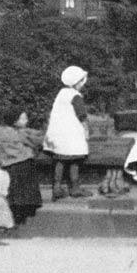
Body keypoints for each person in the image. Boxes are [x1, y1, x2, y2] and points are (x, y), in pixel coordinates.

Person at [44, 65, 93, 200]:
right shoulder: (75, 96)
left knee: (60, 160)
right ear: (78, 82)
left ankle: (57, 187)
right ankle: (75, 187)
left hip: (59, 134)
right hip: (71, 133)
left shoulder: (61, 93)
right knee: (75, 160)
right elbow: (81, 115)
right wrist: (86, 130)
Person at [0, 109, 45, 230]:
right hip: (22, 164)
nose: (26, 121)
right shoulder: (21, 133)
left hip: (9, 165)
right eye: (23, 118)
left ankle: (14, 217)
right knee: (24, 191)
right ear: (14, 121)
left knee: (14, 193)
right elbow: (37, 141)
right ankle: (20, 217)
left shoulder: (6, 132)